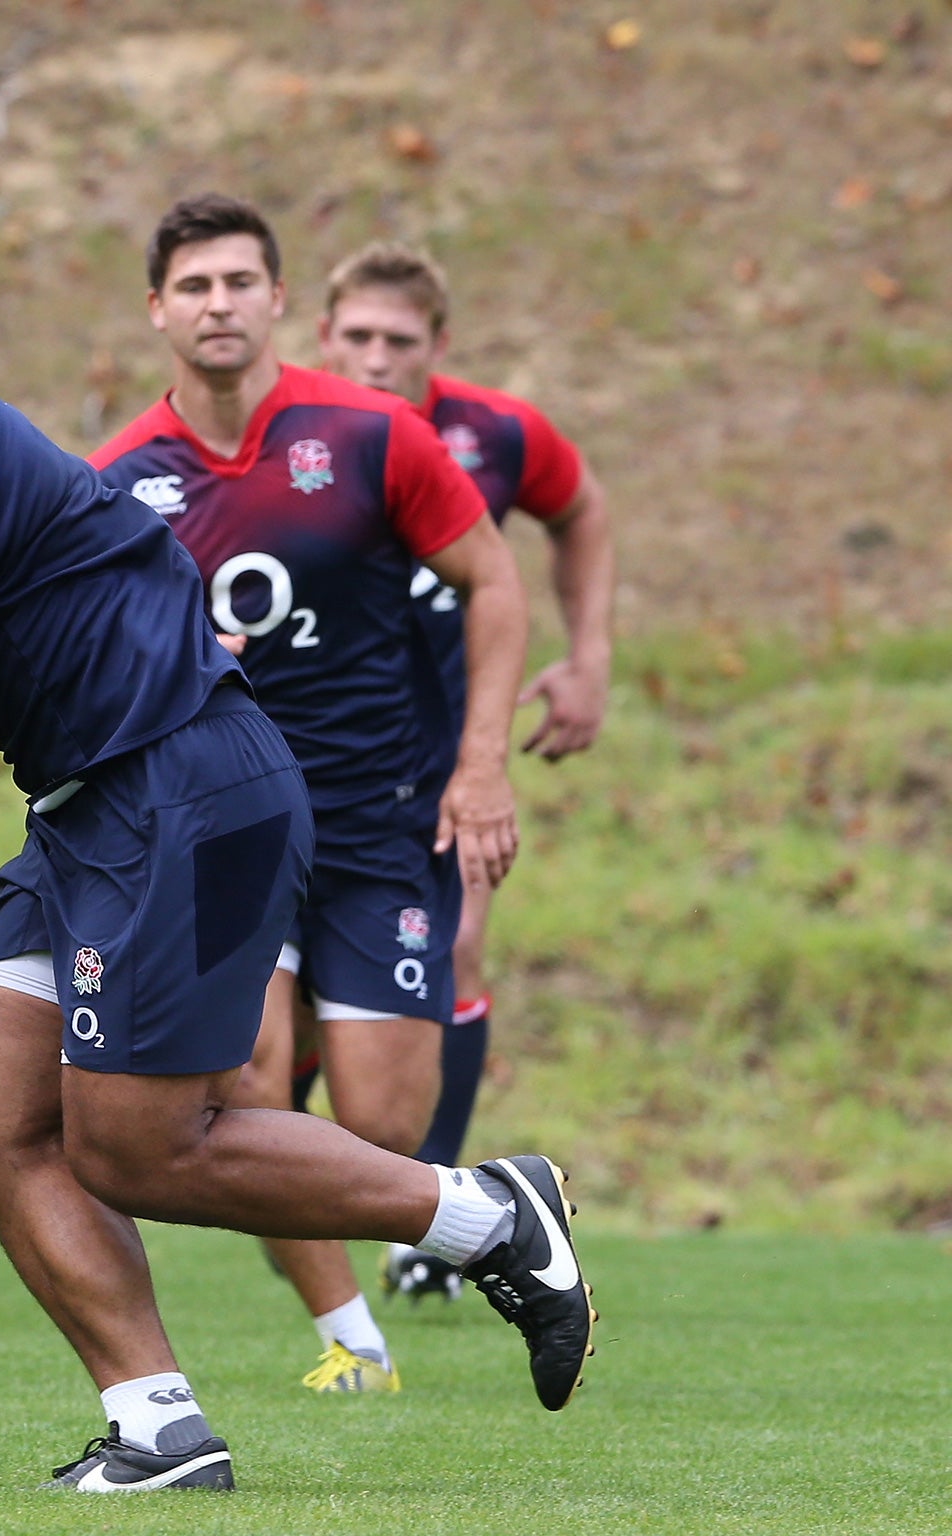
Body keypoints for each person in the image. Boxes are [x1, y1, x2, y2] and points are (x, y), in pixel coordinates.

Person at [0, 177, 595, 1492]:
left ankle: (489, 1214)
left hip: (176, 781)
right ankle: (159, 1428)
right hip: (97, 803)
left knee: (143, 1145)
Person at [85, 195, 531, 1393]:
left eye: (238, 281)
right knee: (239, 1082)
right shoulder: (117, 482)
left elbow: (492, 582)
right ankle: (352, 1339)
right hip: (225, 829)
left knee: (384, 1122)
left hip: (377, 820)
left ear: (280, 301)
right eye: (192, 286)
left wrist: (479, 762)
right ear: (156, 311)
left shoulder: (376, 435)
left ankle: (474, 1219)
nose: (216, 304)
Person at [316, 241, 614, 1301]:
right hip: (308, 771)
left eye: (397, 342)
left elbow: (577, 510)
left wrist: (587, 658)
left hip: (445, 763)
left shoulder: (490, 434)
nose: (374, 358)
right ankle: (392, 1206)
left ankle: (431, 1225)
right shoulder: (297, 440)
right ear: (321, 337)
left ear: (437, 348)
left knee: (463, 950)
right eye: (355, 337)